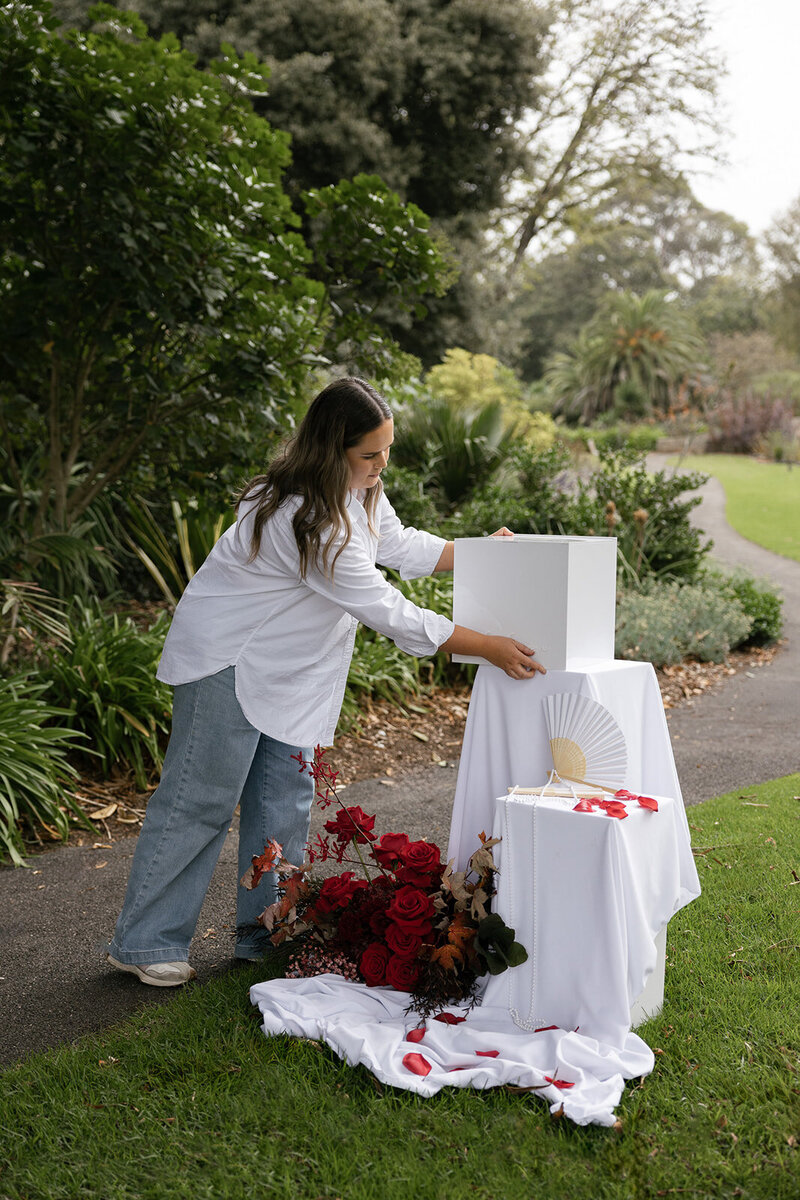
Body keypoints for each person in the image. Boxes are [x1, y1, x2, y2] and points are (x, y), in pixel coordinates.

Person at [107, 377, 545, 986]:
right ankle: (146, 942)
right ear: (331, 448)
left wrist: (474, 553)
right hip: (229, 660)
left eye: (386, 451)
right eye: (369, 454)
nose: (381, 464)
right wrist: (486, 647)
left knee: (284, 802)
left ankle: (266, 937)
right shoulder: (305, 516)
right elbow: (388, 610)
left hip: (294, 672)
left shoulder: (359, 490)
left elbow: (394, 542)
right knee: (198, 803)